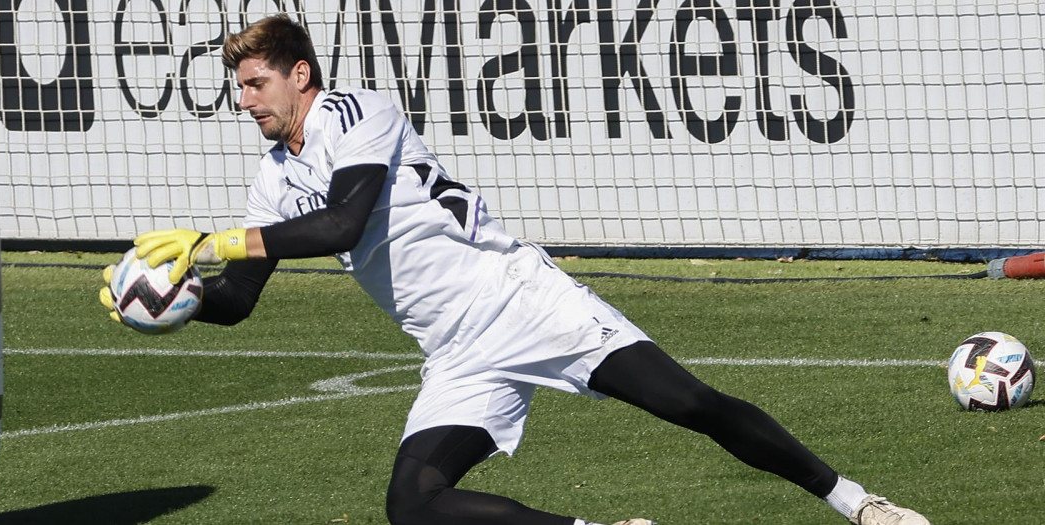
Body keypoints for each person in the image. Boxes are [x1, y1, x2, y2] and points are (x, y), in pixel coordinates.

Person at [100, 14, 931, 525]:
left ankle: (857, 502)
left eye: (254, 83)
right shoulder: (271, 177)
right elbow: (240, 300)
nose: (245, 100)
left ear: (300, 74)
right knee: (413, 503)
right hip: (458, 352)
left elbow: (344, 220)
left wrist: (212, 242)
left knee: (692, 404)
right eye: (239, 88)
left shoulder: (359, 114)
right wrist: (169, 297)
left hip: (524, 300)